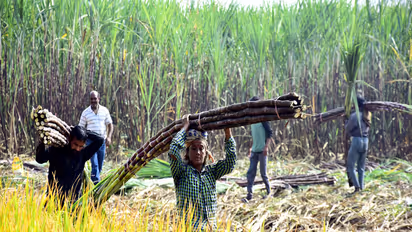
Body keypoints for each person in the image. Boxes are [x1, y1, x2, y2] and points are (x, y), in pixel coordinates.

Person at [168, 114, 237, 231]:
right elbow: (174, 151)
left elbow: (230, 163)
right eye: (194, 149)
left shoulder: (212, 172)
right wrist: (185, 128)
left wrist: (227, 132)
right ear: (187, 152)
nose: (198, 152)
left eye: (201, 148)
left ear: (206, 152)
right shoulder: (181, 171)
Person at [36, 126, 104, 205]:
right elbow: (40, 159)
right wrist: (42, 143)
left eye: (81, 146)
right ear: (69, 138)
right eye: (75, 144)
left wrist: (82, 131)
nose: (78, 148)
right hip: (54, 197)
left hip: (74, 200)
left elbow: (100, 140)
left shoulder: (84, 154)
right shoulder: (57, 149)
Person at [242, 96, 273, 202]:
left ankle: (269, 193)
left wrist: (266, 147)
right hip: (255, 150)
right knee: (251, 172)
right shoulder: (252, 120)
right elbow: (254, 135)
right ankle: (249, 193)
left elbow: (270, 134)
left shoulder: (263, 119)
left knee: (263, 174)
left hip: (262, 151)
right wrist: (251, 148)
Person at [79, 90, 113, 184]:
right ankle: (96, 184)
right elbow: (81, 127)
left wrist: (109, 137)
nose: (93, 101)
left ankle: (94, 181)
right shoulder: (86, 113)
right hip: (91, 142)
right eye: (91, 99)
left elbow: (110, 124)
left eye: (95, 98)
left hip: (102, 141)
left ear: (99, 99)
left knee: (100, 164)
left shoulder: (104, 111)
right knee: (95, 164)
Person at [345, 95, 371, 194]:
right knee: (361, 167)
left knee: (350, 166)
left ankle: (356, 188)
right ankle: (362, 187)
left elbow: (348, 129)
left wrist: (346, 120)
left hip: (357, 140)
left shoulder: (355, 115)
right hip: (365, 141)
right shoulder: (367, 114)